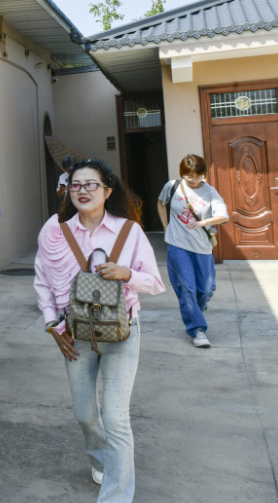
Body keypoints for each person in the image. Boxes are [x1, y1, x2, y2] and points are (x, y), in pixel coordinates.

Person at [34, 158, 164, 502]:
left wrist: (126, 274)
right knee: (85, 414)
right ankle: (103, 461)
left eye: (91, 184)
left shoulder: (129, 231)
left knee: (116, 418)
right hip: (75, 334)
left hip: (122, 334)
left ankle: (116, 495)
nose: (82, 191)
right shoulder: (55, 232)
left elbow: (155, 283)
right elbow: (42, 282)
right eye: (75, 185)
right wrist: (52, 324)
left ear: (107, 191)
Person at [156, 154, 228, 348]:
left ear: (203, 174)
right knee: (187, 288)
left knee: (205, 289)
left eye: (197, 175)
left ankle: (194, 310)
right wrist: (166, 227)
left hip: (202, 247)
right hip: (178, 245)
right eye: (189, 175)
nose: (193, 179)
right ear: (182, 173)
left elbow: (223, 216)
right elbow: (161, 203)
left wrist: (203, 222)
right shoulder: (172, 186)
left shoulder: (210, 191)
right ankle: (197, 330)